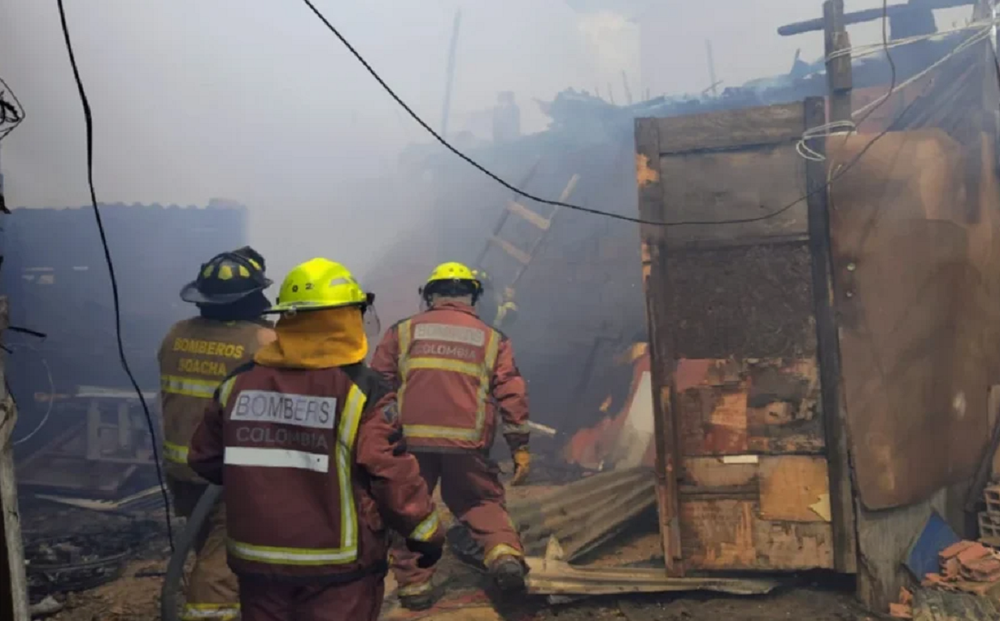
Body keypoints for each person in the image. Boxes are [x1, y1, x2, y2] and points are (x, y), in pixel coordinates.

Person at [187, 257, 444, 621]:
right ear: (345, 318)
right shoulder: (363, 390)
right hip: (338, 568)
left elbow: (204, 459)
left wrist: (260, 484)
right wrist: (424, 533)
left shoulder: (238, 382)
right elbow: (390, 473)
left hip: (258, 563)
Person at [370, 261, 531, 610]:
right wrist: (519, 446)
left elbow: (378, 387)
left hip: (411, 443)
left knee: (410, 510)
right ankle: (503, 556)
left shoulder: (402, 331)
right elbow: (511, 393)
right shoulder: (493, 338)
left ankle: (415, 588)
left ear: (430, 295)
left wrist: (380, 440)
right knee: (481, 502)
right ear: (472, 296)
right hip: (469, 443)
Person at [158, 247, 275, 621]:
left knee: (208, 544)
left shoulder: (176, 334)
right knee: (221, 562)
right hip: (230, 472)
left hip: (183, 468)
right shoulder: (262, 342)